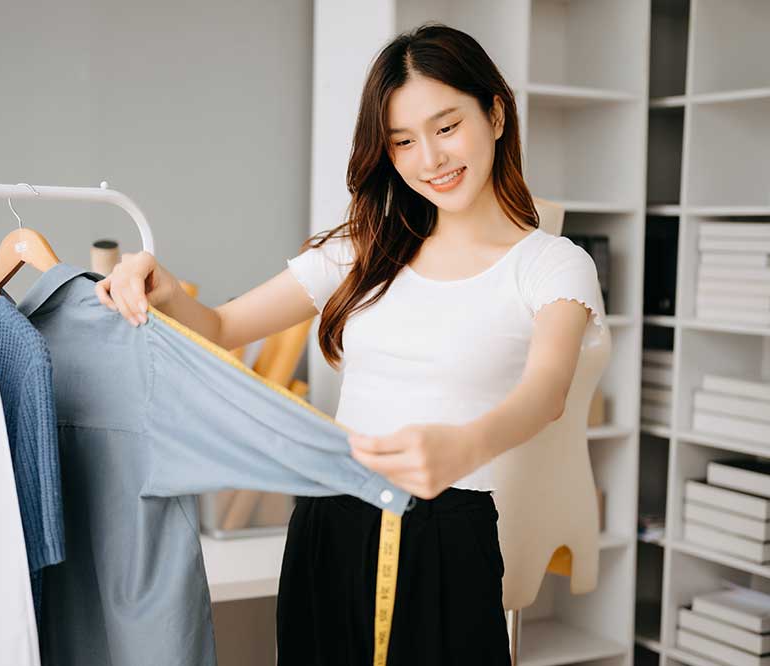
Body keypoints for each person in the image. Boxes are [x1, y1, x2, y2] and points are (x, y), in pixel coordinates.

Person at [95, 22, 604, 666]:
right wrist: (162, 287)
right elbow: (221, 328)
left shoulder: (551, 264)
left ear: (495, 114)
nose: (431, 159)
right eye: (403, 141)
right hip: (329, 517)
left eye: (447, 127)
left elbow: (547, 393)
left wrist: (463, 446)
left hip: (446, 530)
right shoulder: (365, 249)